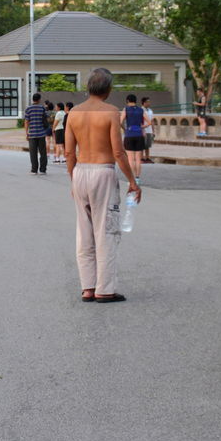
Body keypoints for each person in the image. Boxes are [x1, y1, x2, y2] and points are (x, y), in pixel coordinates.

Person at [64, 68, 141, 303]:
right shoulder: (110, 113)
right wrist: (132, 181)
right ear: (108, 89)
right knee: (105, 230)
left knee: (84, 231)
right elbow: (118, 152)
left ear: (88, 87)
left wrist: (72, 179)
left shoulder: (74, 113)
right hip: (103, 172)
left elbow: (69, 152)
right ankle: (104, 289)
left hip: (80, 172)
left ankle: (87, 287)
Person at [122, 94, 146, 181]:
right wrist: (141, 128)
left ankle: (132, 179)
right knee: (138, 159)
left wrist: (124, 129)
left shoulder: (126, 109)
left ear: (127, 101)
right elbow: (149, 122)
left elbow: (120, 121)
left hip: (129, 135)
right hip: (139, 135)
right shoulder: (141, 110)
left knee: (130, 159)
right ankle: (138, 178)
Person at [24, 92, 49, 174]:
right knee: (43, 152)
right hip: (41, 133)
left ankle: (34, 170)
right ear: (39, 99)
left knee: (33, 153)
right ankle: (43, 169)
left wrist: (26, 133)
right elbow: (46, 119)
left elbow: (26, 122)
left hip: (32, 134)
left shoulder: (28, 108)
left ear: (33, 99)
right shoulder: (42, 108)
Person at [140, 97, 155, 163]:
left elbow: (152, 121)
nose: (149, 103)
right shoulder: (140, 110)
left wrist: (153, 131)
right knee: (142, 145)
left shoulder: (150, 111)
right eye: (148, 102)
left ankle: (147, 158)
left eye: (149, 101)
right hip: (143, 130)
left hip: (149, 130)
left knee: (148, 145)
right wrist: (142, 129)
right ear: (144, 103)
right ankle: (141, 158)